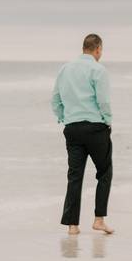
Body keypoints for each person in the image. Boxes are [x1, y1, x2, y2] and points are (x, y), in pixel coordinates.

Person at [51, 33, 114, 235]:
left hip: (72, 128)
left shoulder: (65, 69)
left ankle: (72, 225)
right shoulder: (98, 70)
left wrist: (65, 118)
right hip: (95, 127)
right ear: (97, 49)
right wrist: (107, 121)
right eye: (101, 50)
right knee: (104, 172)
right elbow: (103, 101)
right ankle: (98, 219)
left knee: (75, 176)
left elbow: (55, 100)